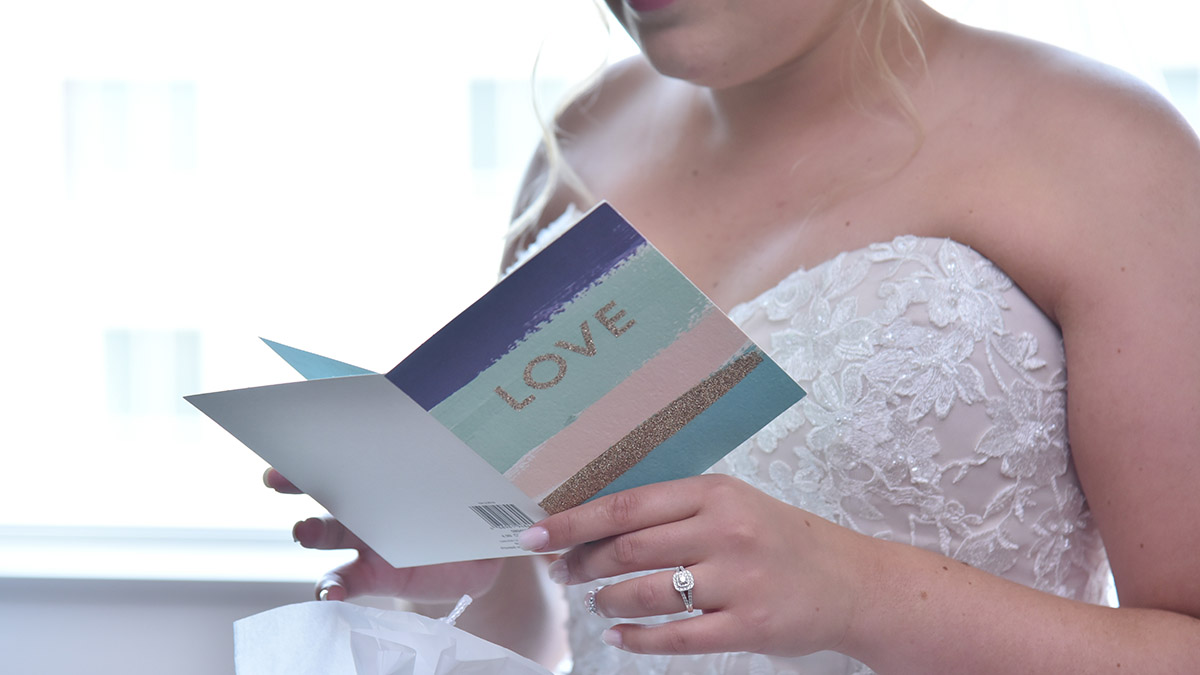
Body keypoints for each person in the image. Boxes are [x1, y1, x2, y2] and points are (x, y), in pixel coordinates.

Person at [265, 0, 1200, 672]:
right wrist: (458, 575)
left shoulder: (1098, 148)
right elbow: (551, 633)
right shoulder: (583, 142)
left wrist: (860, 593)